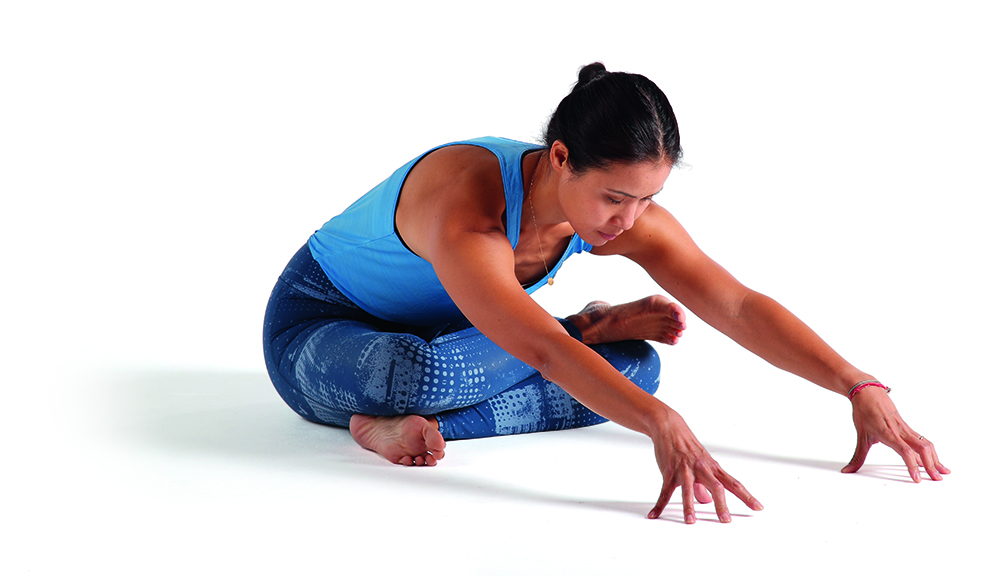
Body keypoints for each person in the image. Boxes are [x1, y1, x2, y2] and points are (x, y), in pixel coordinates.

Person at [262, 62, 948, 524]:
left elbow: (734, 304)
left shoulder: (620, 215)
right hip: (324, 333)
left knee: (638, 371)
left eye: (647, 199)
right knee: (420, 369)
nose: (627, 221)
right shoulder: (467, 204)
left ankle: (433, 422)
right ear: (560, 157)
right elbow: (540, 348)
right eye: (615, 197)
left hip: (478, 334)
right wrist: (659, 421)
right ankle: (583, 328)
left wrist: (860, 386)